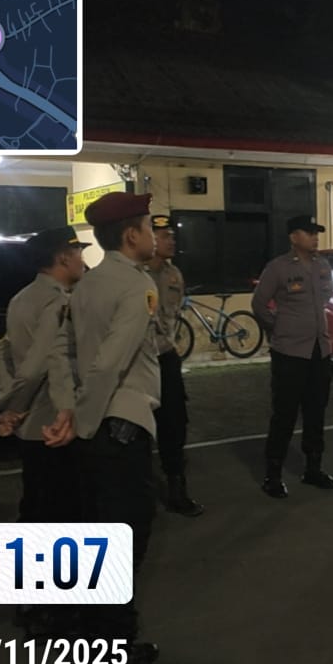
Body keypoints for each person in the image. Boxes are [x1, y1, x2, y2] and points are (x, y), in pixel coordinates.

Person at [43, 191, 183, 664]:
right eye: (148, 228)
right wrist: (81, 421)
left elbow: (65, 352)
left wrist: (68, 409)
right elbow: (109, 364)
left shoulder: (87, 284)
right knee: (122, 548)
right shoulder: (136, 285)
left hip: (96, 427)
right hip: (117, 426)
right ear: (131, 235)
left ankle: (100, 647)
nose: (155, 237)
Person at [0, 226, 88, 640]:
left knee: (34, 511)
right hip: (54, 424)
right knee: (60, 516)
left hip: (33, 426)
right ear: (63, 258)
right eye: (78, 253)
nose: (83, 261)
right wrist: (12, 407)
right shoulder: (60, 302)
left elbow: (2, 356)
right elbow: (39, 366)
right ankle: (51, 608)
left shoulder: (20, 298)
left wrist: (12, 405)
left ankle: (29, 600)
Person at [251, 215, 333, 498]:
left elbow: (326, 297)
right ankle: (273, 475)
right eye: (309, 232)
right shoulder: (278, 268)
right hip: (290, 353)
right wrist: (279, 328)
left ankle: (313, 468)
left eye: (316, 233)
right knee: (285, 414)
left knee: (316, 412)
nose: (315, 237)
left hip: (319, 350)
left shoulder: (322, 266)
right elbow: (259, 304)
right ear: (293, 237)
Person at [147, 213, 202, 517]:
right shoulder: (134, 274)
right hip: (139, 361)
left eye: (172, 235)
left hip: (166, 356)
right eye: (164, 236)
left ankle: (176, 487)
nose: (172, 240)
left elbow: (173, 315)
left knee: (175, 422)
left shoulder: (174, 274)